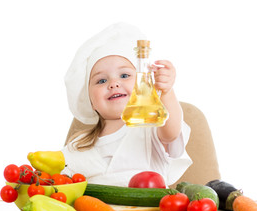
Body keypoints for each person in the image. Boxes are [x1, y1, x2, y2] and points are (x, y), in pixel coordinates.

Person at [62, 23, 192, 187]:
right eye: (101, 80)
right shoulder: (77, 146)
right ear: (90, 101)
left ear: (142, 83)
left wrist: (166, 92)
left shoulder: (150, 126)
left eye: (124, 75)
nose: (114, 83)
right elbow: (59, 182)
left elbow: (171, 133)